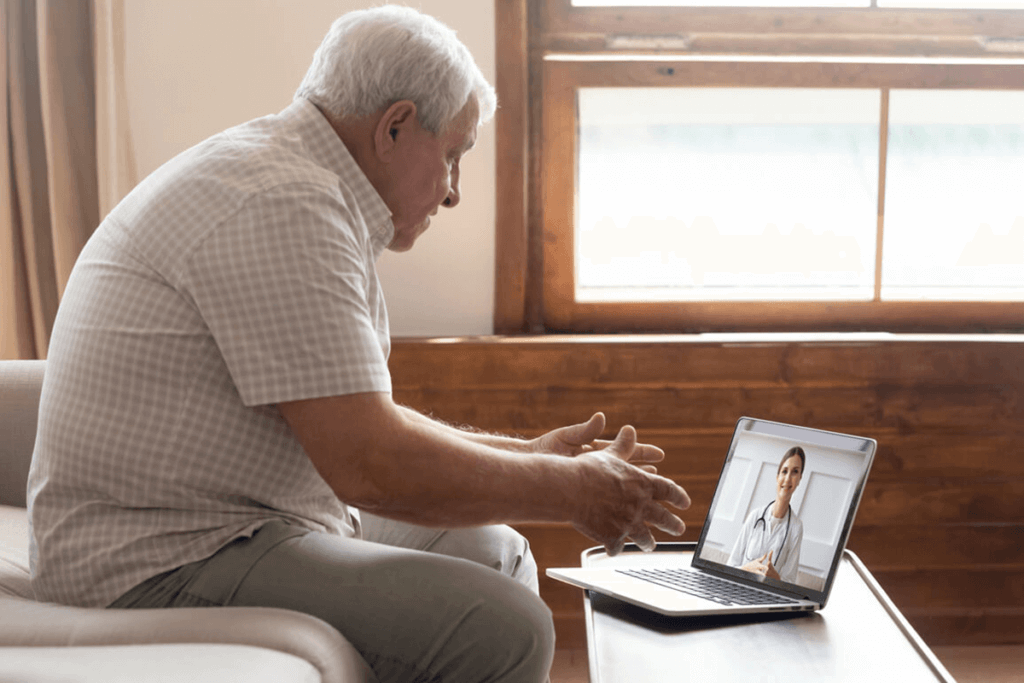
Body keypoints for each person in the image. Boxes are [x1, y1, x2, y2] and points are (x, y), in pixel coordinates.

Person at [26, 6, 691, 683]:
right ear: (394, 126)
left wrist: (527, 456)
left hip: (233, 519)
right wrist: (571, 490)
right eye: (454, 155)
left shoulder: (289, 179)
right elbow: (371, 463)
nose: (455, 191)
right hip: (157, 558)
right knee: (508, 629)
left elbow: (364, 420)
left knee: (494, 550)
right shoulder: (284, 205)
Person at [726, 446, 805, 584]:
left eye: (795, 472)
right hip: (739, 587)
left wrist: (776, 579)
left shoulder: (796, 527)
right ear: (777, 477)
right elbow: (730, 567)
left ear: (799, 479)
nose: (787, 479)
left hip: (767, 595)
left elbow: (790, 582)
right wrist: (745, 569)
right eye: (784, 471)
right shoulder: (755, 516)